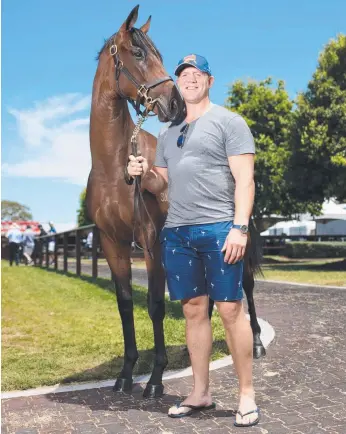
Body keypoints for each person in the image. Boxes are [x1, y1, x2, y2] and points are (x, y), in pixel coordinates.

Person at [126, 54, 259, 427]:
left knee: (231, 309)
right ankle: (200, 393)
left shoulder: (230, 122)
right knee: (192, 310)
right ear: (179, 83)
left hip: (220, 228)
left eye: (197, 74)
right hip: (179, 232)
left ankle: (246, 395)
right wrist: (142, 171)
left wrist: (240, 227)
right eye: (184, 75)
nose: (190, 79)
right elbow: (160, 183)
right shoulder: (170, 133)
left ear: (209, 81)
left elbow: (245, 180)